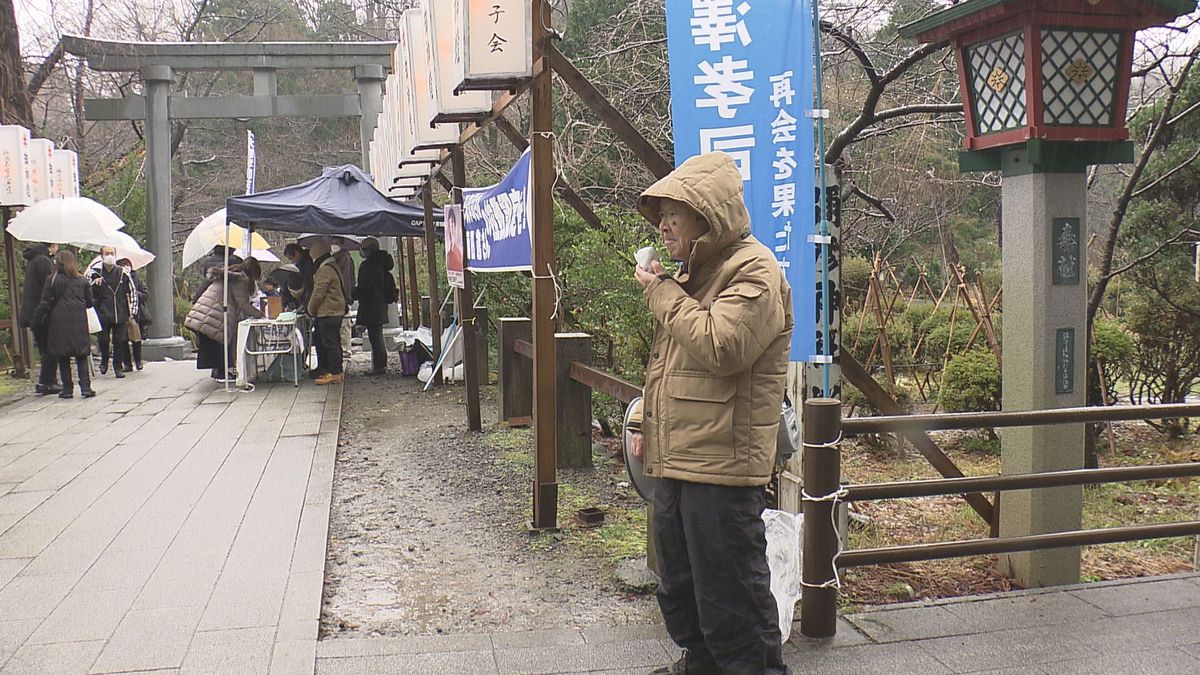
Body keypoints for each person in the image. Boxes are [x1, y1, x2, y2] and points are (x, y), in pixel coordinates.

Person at [627, 152, 793, 675]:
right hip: (681, 460)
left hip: (722, 466)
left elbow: (723, 348)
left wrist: (662, 294)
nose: (663, 225)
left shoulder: (754, 270)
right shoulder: (694, 275)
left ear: (709, 216)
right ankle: (698, 664)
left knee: (731, 597)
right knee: (680, 585)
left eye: (675, 212)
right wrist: (644, 427)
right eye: (660, 215)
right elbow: (677, 371)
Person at [184, 257, 263, 381]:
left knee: (218, 343)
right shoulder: (239, 279)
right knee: (222, 342)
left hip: (210, 309)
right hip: (217, 312)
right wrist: (260, 314)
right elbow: (242, 303)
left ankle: (220, 372)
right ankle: (223, 373)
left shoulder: (230, 274)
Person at [32, 250, 95, 399]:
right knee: (81, 355)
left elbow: (45, 302)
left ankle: (67, 388)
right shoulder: (83, 280)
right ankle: (85, 387)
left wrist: (36, 320)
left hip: (58, 322)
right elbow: (90, 303)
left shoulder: (51, 280)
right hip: (79, 321)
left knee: (63, 356)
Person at [86, 245, 138, 379]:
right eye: (107, 253)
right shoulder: (94, 272)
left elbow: (132, 291)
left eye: (112, 253)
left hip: (120, 311)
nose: (110, 256)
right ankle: (104, 359)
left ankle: (117, 366)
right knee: (103, 339)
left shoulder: (122, 273)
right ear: (102, 255)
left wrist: (133, 310)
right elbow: (85, 289)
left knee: (119, 341)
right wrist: (94, 284)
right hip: (102, 311)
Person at [352, 237, 398, 375]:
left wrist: (353, 293)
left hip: (370, 305)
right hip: (380, 304)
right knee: (376, 334)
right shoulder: (383, 263)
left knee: (375, 337)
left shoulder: (367, 266)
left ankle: (380, 366)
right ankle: (379, 365)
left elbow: (364, 289)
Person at [21, 241, 60, 394]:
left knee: (45, 346)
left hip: (33, 311)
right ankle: (47, 382)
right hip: (42, 311)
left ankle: (47, 381)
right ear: (53, 245)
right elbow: (50, 285)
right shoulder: (43, 261)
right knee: (49, 346)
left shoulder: (34, 259)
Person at [307, 240, 347, 385]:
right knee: (334, 342)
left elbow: (318, 293)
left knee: (330, 343)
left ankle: (335, 373)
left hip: (328, 312)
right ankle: (337, 372)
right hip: (336, 310)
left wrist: (310, 309)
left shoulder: (324, 270)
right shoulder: (333, 266)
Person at [119, 258, 149, 371]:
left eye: (127, 264)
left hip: (136, 313)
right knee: (123, 339)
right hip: (122, 312)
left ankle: (138, 360)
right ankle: (127, 363)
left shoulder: (138, 280)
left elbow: (146, 294)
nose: (125, 267)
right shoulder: (118, 279)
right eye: (122, 265)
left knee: (136, 338)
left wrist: (135, 294)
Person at [330, 236, 356, 360]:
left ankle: (346, 349)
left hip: (343, 296)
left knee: (345, 324)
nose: (333, 245)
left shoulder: (344, 259)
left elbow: (345, 280)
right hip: (342, 296)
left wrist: (346, 297)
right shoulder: (340, 258)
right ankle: (344, 348)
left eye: (335, 242)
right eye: (332, 242)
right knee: (343, 324)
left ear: (341, 243)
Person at [284, 243, 314, 308]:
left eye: (291, 258)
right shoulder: (305, 261)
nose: (292, 262)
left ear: (296, 253)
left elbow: (308, 282)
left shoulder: (306, 264)